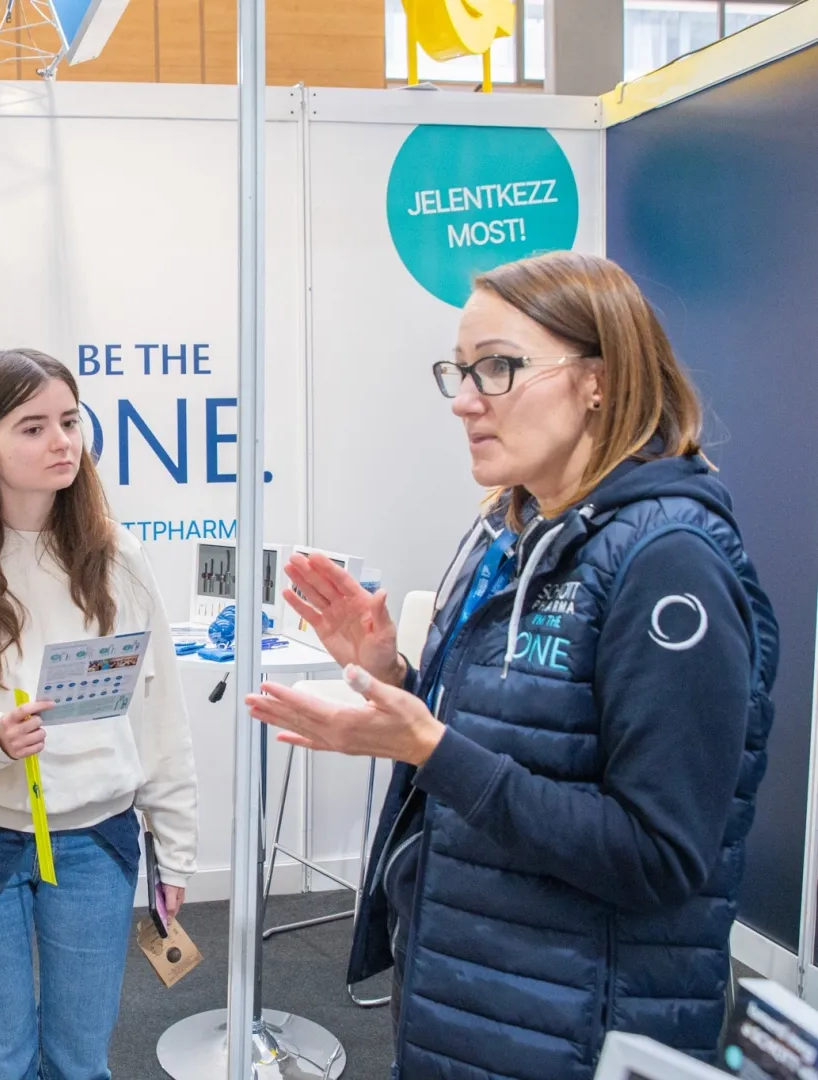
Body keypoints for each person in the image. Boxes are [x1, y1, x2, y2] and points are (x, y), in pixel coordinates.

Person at [244, 252, 779, 1077]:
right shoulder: (507, 530)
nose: (464, 401)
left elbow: (662, 856)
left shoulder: (670, 560)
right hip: (469, 993)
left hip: (575, 1027)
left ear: (597, 379)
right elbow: (513, 742)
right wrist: (391, 677)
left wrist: (428, 750)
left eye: (497, 368)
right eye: (460, 371)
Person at [0, 348, 198, 1080]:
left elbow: (159, 712)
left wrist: (177, 846)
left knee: (79, 1060)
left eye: (68, 420)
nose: (61, 441)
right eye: (32, 427)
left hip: (95, 841)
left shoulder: (116, 555)